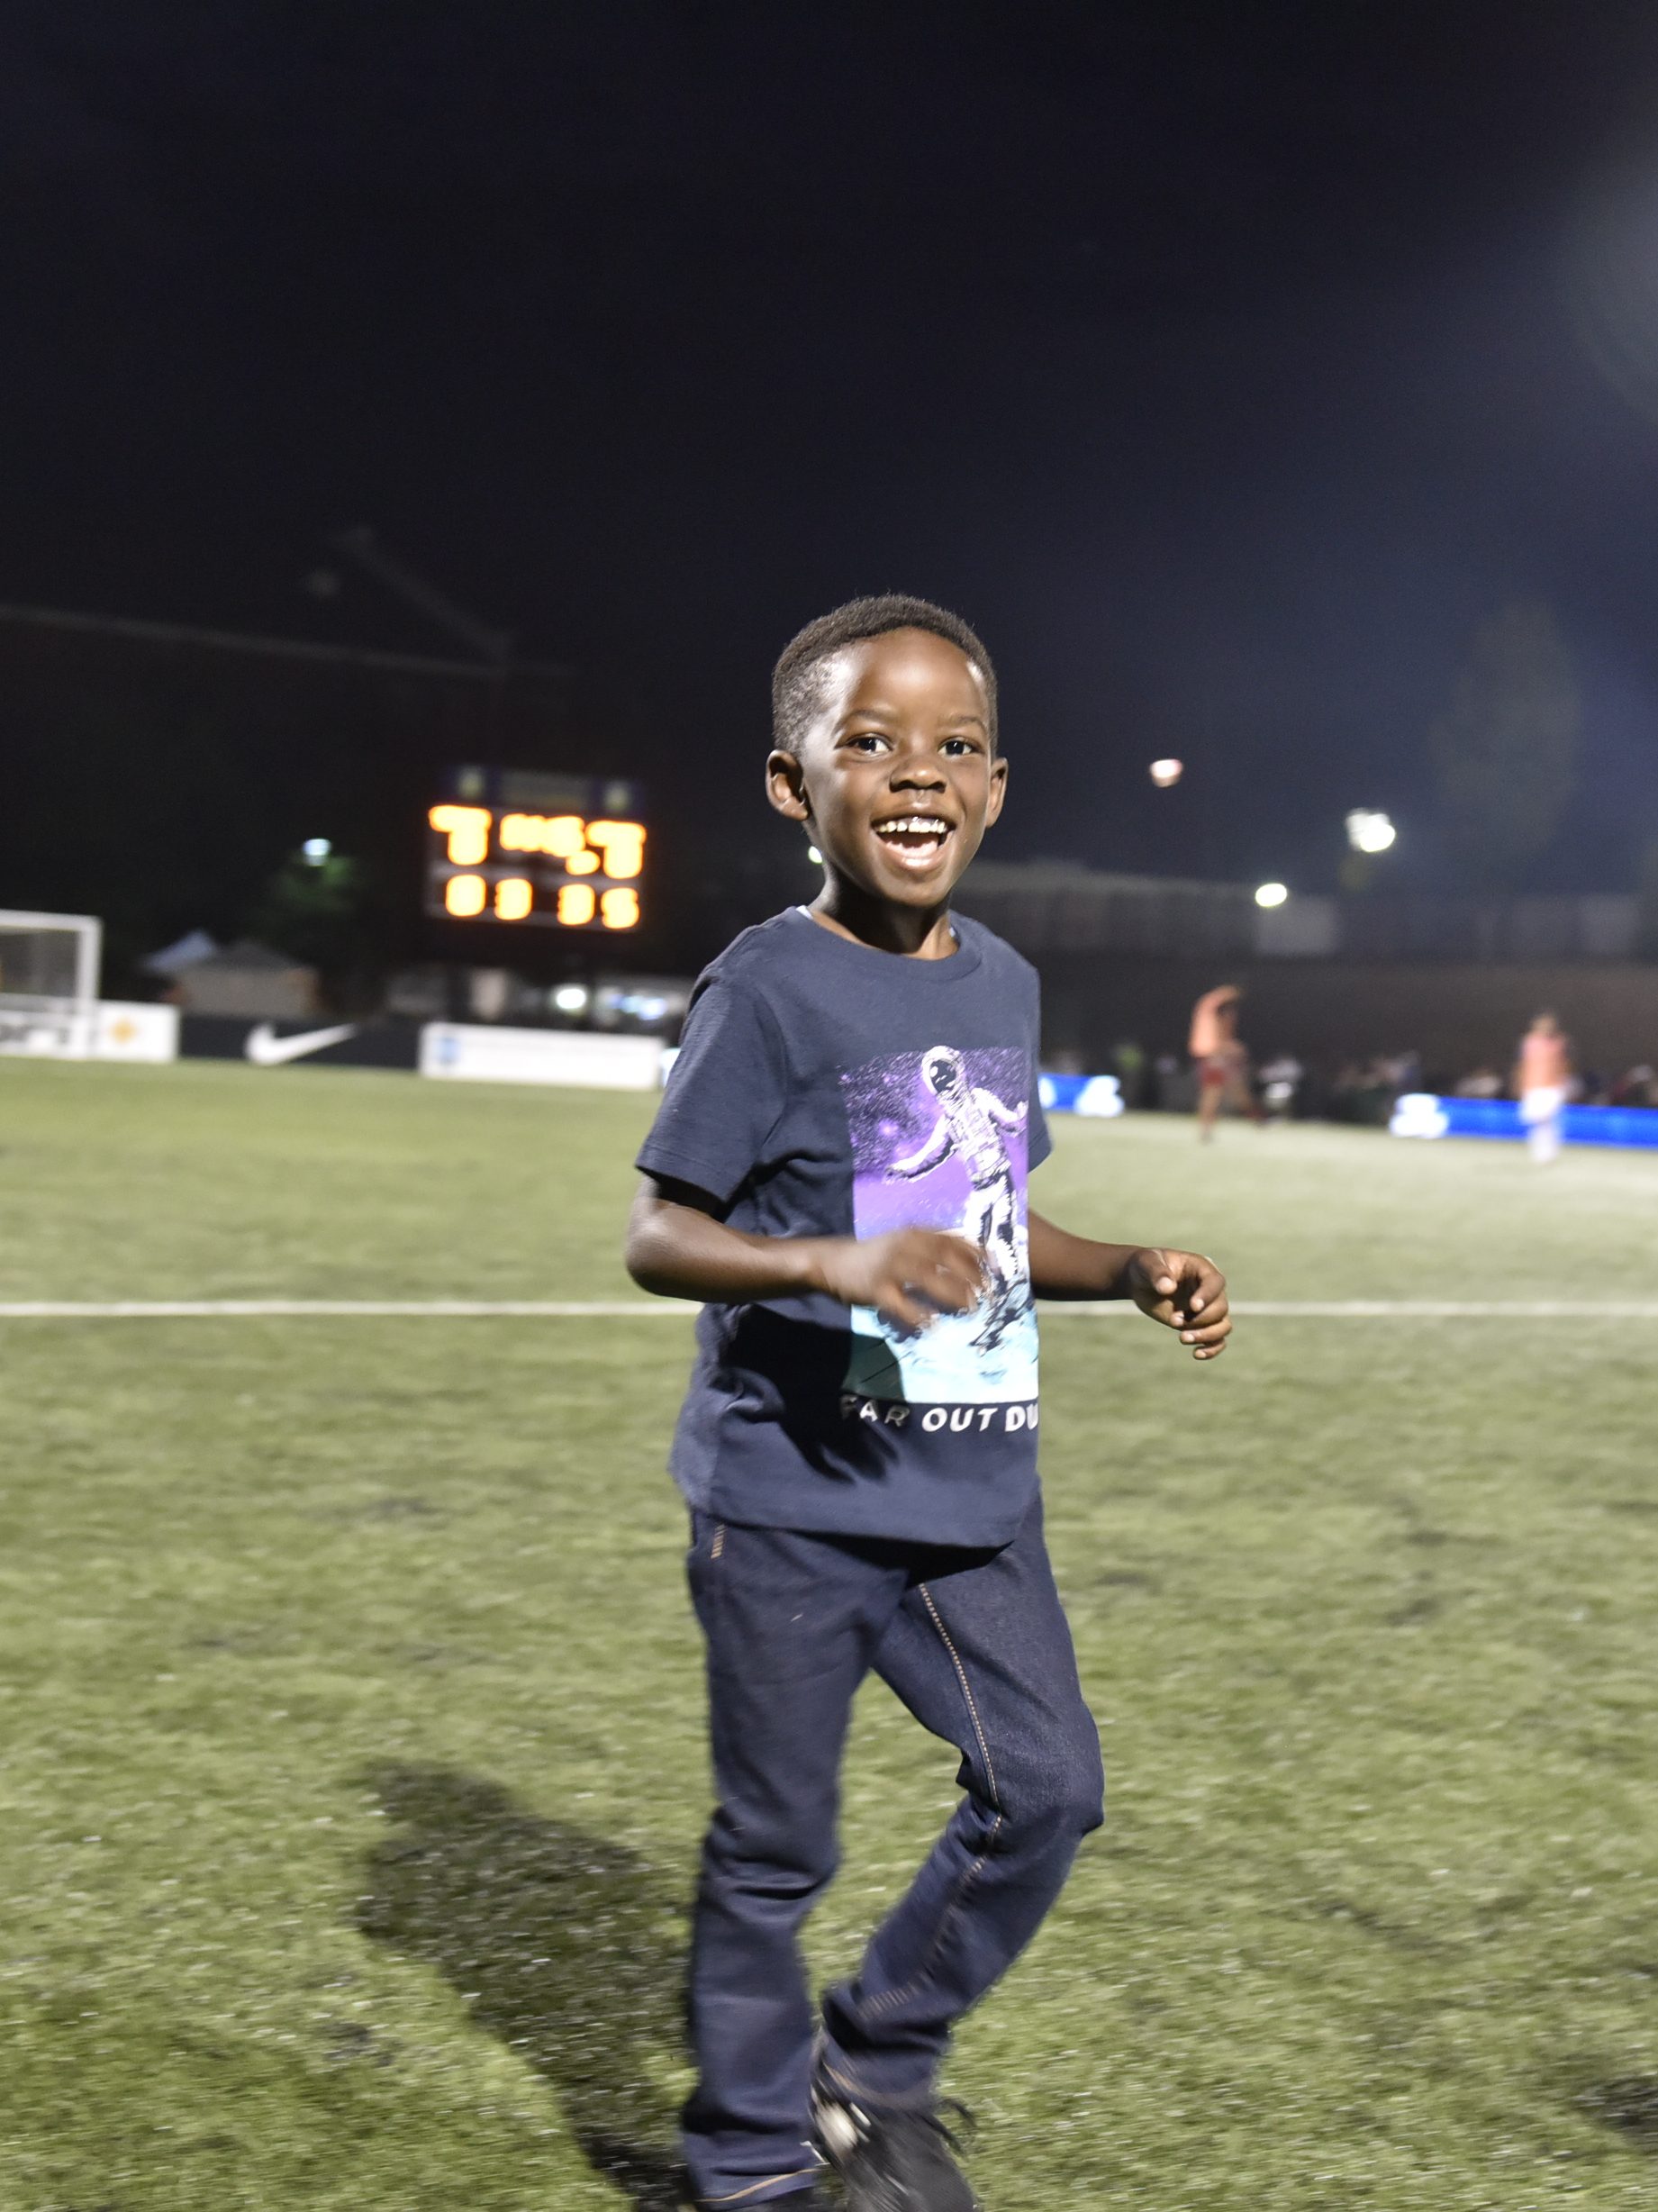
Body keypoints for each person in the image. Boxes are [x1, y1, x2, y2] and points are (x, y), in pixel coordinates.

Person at [627, 596, 1232, 2212]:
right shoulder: (765, 989)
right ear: (791, 782)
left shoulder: (1005, 983)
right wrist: (827, 1258)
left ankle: (872, 2067)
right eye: (872, 742)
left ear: (997, 783)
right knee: (776, 1853)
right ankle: (750, 2166)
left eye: (953, 745)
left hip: (969, 1501)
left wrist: (1130, 1268)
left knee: (1050, 1789)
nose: (918, 774)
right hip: (790, 1501)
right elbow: (657, 1232)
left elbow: (997, 1227)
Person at [1187, 984, 1254, 1139]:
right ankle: (1205, 1129)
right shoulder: (1214, 1010)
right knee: (1214, 1094)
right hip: (1214, 1058)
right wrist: (1230, 991)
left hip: (1216, 1056)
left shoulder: (1210, 1014)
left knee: (1234, 1091)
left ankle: (1257, 1118)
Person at [1516, 1011, 1572, 1164]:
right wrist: (1521, 1085)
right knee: (1536, 1120)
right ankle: (1539, 1150)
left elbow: (1565, 1064)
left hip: (1552, 1087)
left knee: (1548, 1119)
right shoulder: (1529, 1042)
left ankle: (1549, 1151)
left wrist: (1564, 1083)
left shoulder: (1560, 1042)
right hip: (1533, 1086)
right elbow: (1522, 1065)